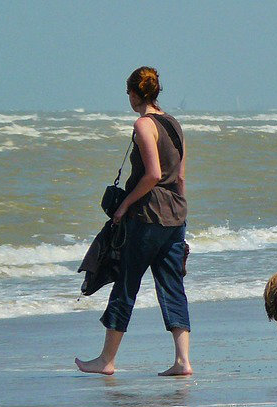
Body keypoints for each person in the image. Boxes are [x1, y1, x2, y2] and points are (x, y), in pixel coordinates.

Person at [76, 66, 192, 376]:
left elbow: (153, 174)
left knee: (126, 284)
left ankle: (106, 360)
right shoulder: (174, 124)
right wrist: (181, 214)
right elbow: (178, 175)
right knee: (173, 286)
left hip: (147, 217)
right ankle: (183, 361)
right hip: (175, 215)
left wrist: (124, 205)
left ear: (133, 93)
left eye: (128, 92)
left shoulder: (144, 125)